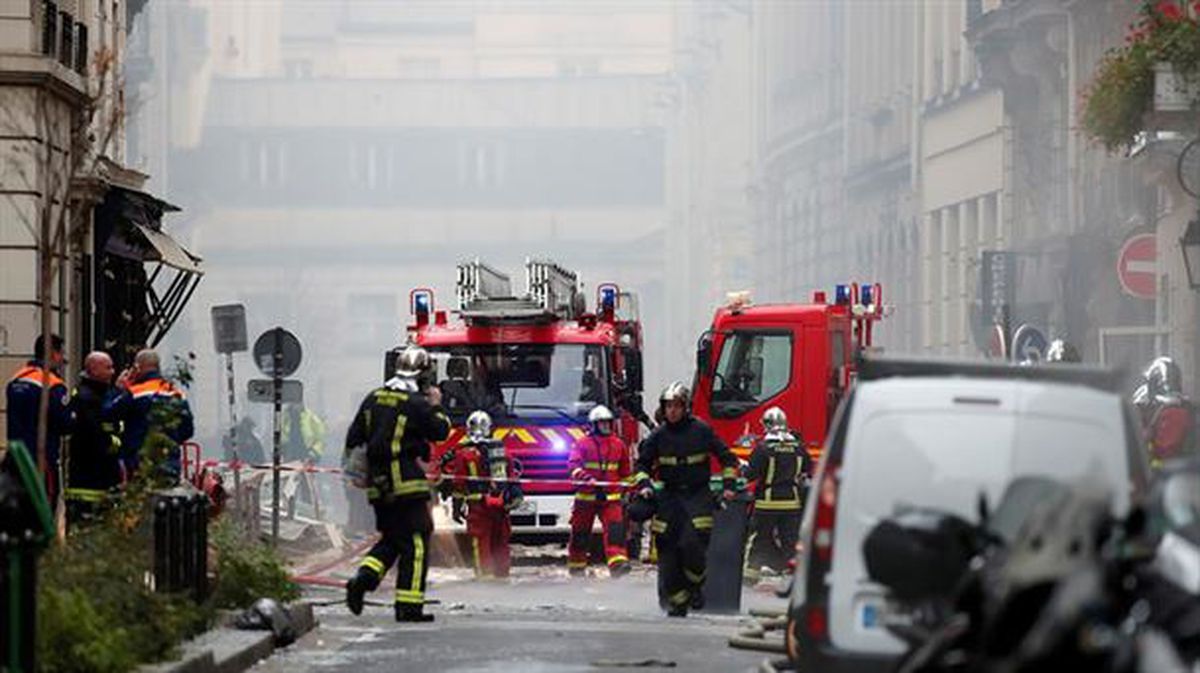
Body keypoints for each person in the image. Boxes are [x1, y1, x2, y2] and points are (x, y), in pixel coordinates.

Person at [344, 345, 451, 622]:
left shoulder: (373, 398)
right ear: (423, 375)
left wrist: (359, 474)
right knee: (417, 540)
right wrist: (436, 404)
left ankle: (364, 579)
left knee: (394, 538)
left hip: (378, 486)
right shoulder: (415, 403)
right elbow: (440, 431)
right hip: (405, 483)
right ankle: (409, 606)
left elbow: (354, 439)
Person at [633, 382, 737, 617]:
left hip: (697, 495)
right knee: (667, 553)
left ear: (685, 407)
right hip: (669, 497)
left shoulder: (701, 430)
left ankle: (695, 586)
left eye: (676, 406)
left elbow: (728, 459)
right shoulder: (658, 435)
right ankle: (679, 602)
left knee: (692, 546)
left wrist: (729, 486)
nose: (672, 411)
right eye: (668, 406)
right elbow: (641, 464)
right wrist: (644, 485)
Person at [442, 410, 523, 579]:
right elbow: (512, 477)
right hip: (500, 506)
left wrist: (456, 509)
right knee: (500, 542)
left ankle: (484, 579)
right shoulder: (503, 452)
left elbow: (458, 484)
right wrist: (514, 497)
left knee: (481, 543)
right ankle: (503, 576)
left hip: (478, 507)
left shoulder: (463, 453)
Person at [742, 407, 810, 585]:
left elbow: (751, 475)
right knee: (791, 542)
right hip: (792, 503)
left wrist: (743, 467)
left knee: (758, 539)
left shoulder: (763, 448)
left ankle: (750, 577)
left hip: (767, 503)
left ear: (767, 425)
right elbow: (807, 470)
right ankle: (794, 578)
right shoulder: (798, 446)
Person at [566, 405, 632, 577]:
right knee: (580, 534)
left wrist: (627, 491)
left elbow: (625, 472)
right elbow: (573, 467)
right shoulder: (582, 444)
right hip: (585, 498)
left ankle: (618, 565)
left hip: (611, 499)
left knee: (616, 533)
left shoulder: (619, 444)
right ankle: (577, 567)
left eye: (607, 423)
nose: (605, 427)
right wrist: (588, 480)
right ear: (593, 425)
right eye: (601, 423)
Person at [110, 349, 194, 480]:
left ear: (137, 368)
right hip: (169, 463)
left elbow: (109, 413)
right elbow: (188, 430)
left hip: (140, 462)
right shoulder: (176, 394)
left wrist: (117, 389)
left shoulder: (135, 394)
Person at [6, 334, 70, 504]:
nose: (62, 359)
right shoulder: (53, 385)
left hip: (16, 458)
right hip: (43, 460)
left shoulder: (16, 379)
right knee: (44, 508)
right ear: (52, 354)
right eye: (61, 353)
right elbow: (64, 424)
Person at [64, 352, 124, 523]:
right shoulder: (87, 398)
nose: (113, 372)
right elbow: (96, 435)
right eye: (108, 368)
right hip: (92, 479)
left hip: (97, 478)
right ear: (94, 370)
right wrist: (116, 444)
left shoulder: (95, 394)